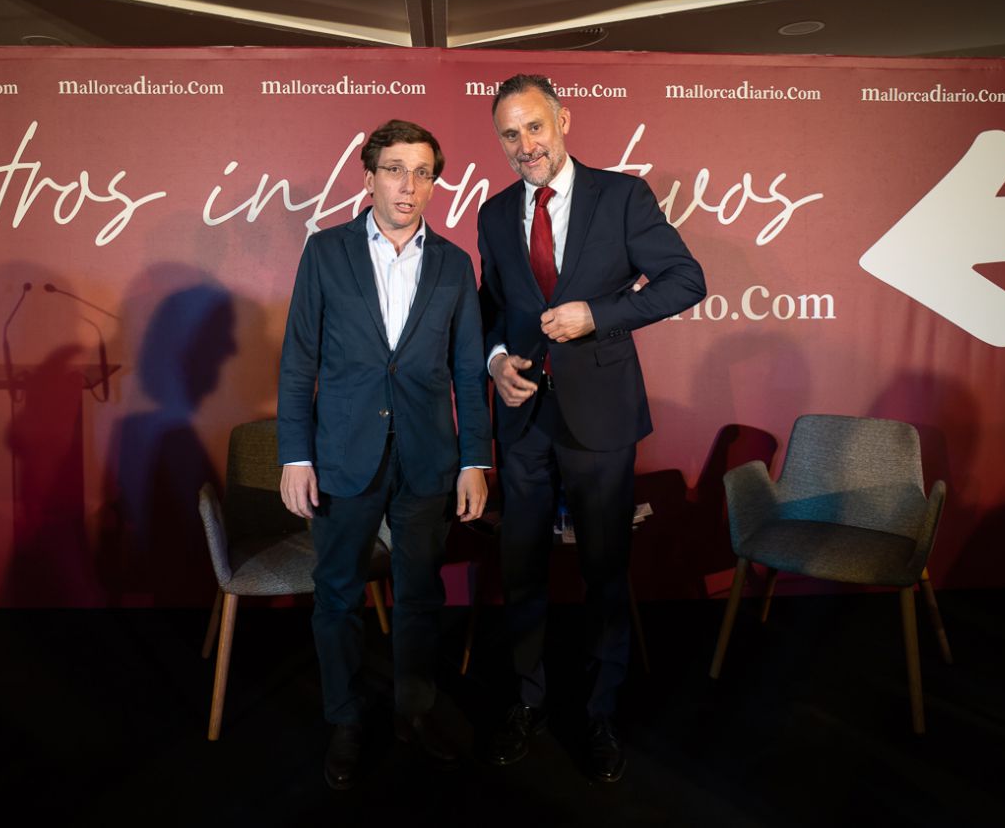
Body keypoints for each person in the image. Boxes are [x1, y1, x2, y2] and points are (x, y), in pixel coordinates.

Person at [477, 74, 706, 782]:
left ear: (563, 120)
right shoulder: (494, 213)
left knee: (605, 570)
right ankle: (528, 700)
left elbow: (686, 279)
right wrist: (494, 360)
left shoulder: (623, 197)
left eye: (534, 127)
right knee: (521, 568)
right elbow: (491, 306)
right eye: (510, 134)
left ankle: (601, 712)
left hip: (601, 414)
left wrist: (597, 315)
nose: (525, 146)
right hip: (522, 418)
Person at [277, 119, 491, 790]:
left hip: (428, 458)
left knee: (420, 595)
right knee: (338, 595)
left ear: (433, 183)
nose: (408, 184)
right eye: (395, 169)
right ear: (369, 177)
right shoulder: (325, 252)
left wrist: (475, 460)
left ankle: (414, 711)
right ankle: (346, 719)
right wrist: (295, 455)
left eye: (422, 172)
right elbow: (299, 362)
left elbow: (467, 372)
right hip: (343, 456)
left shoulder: (455, 264)